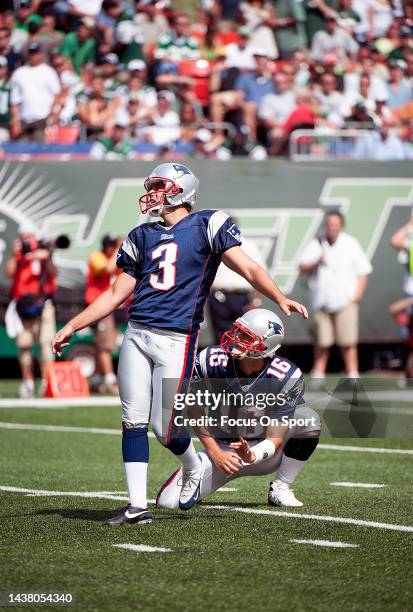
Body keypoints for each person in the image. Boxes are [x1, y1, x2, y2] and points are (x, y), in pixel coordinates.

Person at [52, 162, 308, 526]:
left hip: (176, 338)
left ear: (180, 190)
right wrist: (73, 325)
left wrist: (278, 296)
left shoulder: (208, 223)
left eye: (159, 185)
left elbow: (247, 268)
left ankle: (192, 466)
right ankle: (136, 507)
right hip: (137, 333)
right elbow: (114, 294)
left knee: (166, 428)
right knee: (132, 421)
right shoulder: (141, 235)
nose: (152, 193)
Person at [157, 308, 320, 509]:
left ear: (265, 345)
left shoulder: (286, 375)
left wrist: (252, 455)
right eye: (237, 331)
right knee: (168, 503)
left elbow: (275, 438)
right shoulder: (210, 360)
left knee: (308, 419)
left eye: (245, 335)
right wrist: (215, 452)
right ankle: (204, 479)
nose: (235, 338)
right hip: (221, 451)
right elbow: (194, 412)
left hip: (262, 452)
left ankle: (281, 486)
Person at [298, 210, 372, 385]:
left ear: (341, 226)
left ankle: (352, 373)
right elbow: (302, 267)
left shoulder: (351, 243)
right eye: (330, 224)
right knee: (322, 341)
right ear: (326, 225)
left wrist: (357, 296)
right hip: (321, 301)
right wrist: (317, 261)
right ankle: (318, 373)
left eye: (336, 224)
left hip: (345, 300)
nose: (332, 227)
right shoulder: (316, 244)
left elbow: (363, 271)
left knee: (348, 341)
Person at [4, 225, 57, 398]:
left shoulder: (42, 253)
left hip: (43, 304)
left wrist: (46, 257)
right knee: (24, 345)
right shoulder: (18, 255)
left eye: (29, 237)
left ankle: (47, 383)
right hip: (22, 306)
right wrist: (14, 255)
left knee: (46, 344)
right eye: (23, 237)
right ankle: (27, 382)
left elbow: (54, 273)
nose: (26, 240)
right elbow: (8, 274)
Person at [209, 234, 267, 343]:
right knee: (221, 339)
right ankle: (223, 360)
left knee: (245, 338)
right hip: (218, 296)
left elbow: (260, 273)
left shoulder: (248, 245)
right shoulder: (212, 245)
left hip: (241, 296)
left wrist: (257, 300)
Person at [85, 233, 123, 394]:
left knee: (107, 344)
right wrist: (119, 250)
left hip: (113, 307)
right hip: (99, 305)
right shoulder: (97, 256)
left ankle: (97, 379)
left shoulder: (117, 259)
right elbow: (106, 269)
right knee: (104, 345)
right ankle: (108, 379)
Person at [10, 41, 61, 141]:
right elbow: (14, 100)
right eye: (31, 52)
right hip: (24, 120)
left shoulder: (49, 72)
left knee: (40, 152)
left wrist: (53, 114)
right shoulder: (19, 73)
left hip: (42, 121)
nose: (33, 55)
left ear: (41, 54)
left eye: (36, 52)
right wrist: (15, 119)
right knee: (19, 152)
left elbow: (57, 95)